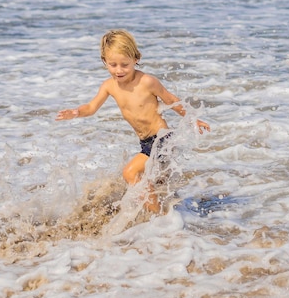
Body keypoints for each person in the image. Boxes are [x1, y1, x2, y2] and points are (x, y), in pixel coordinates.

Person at [56, 29, 210, 213]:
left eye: (125, 65)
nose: (119, 70)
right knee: (157, 184)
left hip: (161, 139)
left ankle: (158, 218)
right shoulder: (109, 86)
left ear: (136, 59)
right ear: (104, 62)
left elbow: (170, 100)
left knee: (130, 173)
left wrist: (193, 119)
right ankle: (168, 216)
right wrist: (75, 112)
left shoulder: (147, 81)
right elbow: (91, 108)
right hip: (145, 143)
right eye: (113, 65)